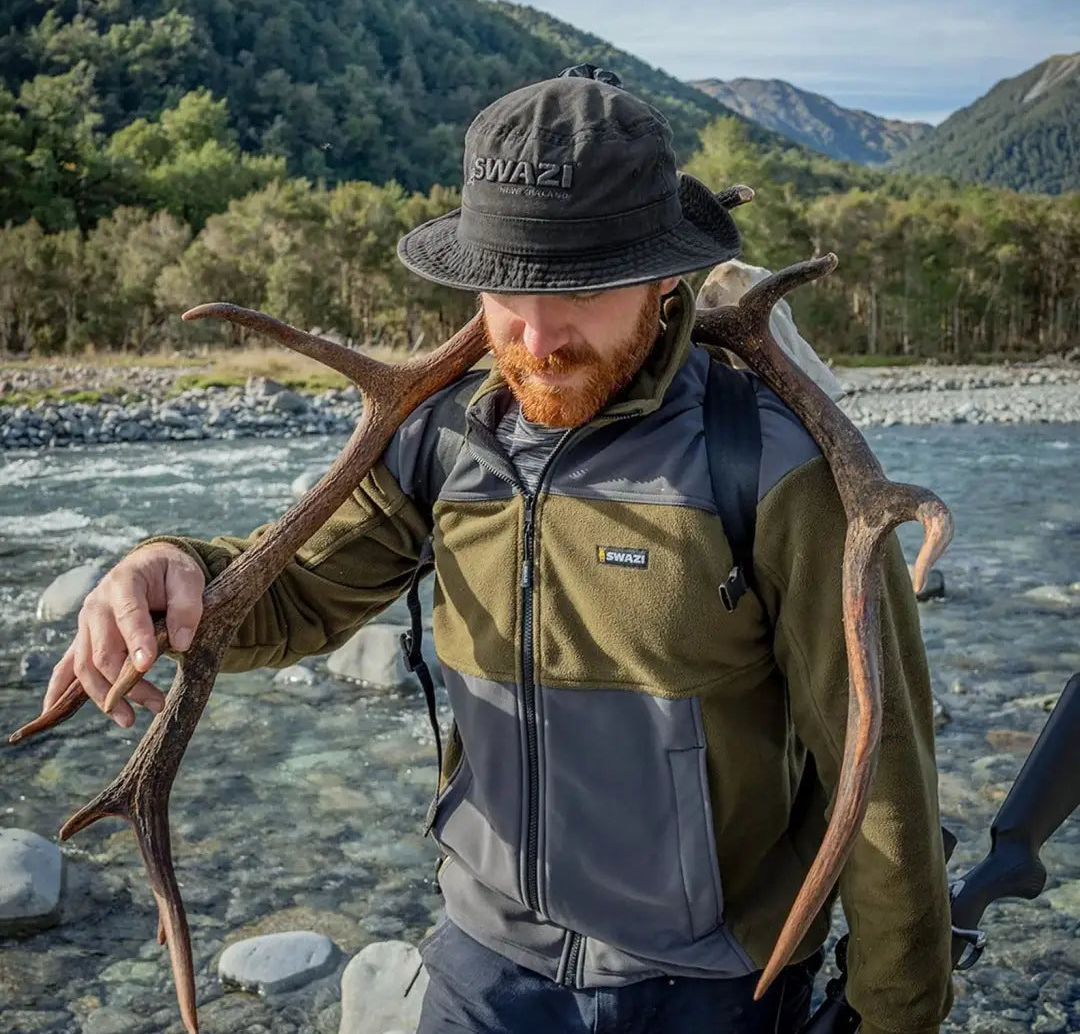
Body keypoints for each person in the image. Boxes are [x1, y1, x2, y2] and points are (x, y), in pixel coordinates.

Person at [43, 66, 953, 1034]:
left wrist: (896, 1011)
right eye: (509, 283)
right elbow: (293, 591)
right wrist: (169, 568)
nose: (536, 333)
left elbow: (883, 775)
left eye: (583, 284)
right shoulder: (442, 438)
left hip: (715, 988)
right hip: (485, 972)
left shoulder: (770, 467)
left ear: (662, 273)